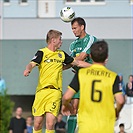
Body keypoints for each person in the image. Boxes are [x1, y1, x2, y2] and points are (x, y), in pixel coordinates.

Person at [23, 29, 91, 133]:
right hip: (41, 91)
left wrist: (96, 66)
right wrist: (28, 69)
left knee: (50, 123)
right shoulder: (42, 52)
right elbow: (32, 63)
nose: (61, 41)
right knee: (37, 123)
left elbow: (78, 63)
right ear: (53, 40)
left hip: (55, 92)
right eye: (60, 39)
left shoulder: (61, 54)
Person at [61, 40, 125, 133]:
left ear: (90, 56)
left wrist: (66, 105)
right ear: (106, 57)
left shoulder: (81, 74)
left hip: (86, 125)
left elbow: (66, 97)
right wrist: (116, 112)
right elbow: (120, 100)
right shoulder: (113, 76)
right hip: (105, 125)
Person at [67, 17, 97, 133]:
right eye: (72, 29)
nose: (73, 31)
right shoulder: (73, 44)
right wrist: (59, 67)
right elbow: (71, 62)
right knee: (74, 108)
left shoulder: (90, 39)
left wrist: (71, 62)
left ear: (82, 27)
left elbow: (80, 58)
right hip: (78, 79)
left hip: (91, 78)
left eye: (75, 28)